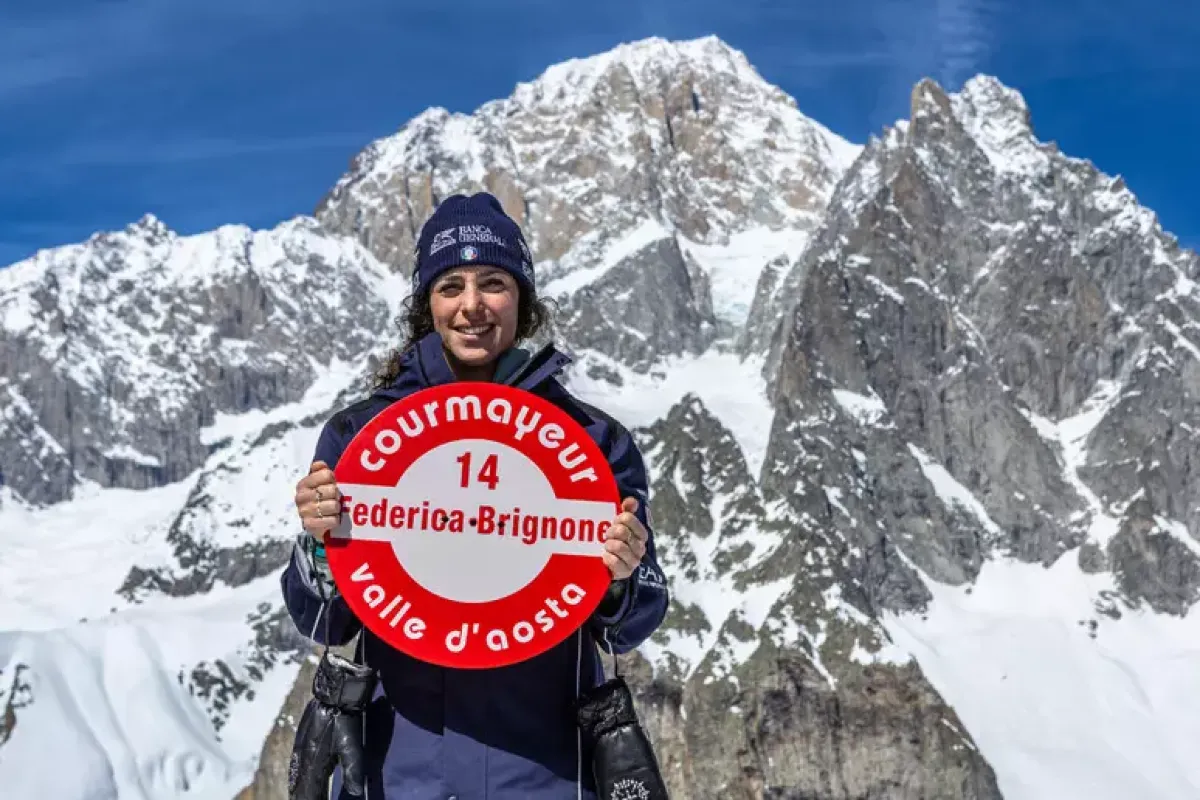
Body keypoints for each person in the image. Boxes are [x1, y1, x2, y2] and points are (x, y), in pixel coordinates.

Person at [280, 192, 671, 800]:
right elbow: (321, 618)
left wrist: (621, 576)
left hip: (545, 774)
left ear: (522, 299)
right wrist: (320, 542)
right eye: (450, 287)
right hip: (397, 771)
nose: (471, 306)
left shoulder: (592, 443)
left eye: (493, 283)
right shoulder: (361, 436)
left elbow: (633, 622)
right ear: (427, 306)